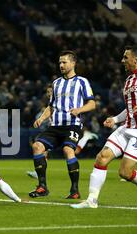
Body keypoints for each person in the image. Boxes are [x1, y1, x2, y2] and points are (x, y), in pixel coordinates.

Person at [71, 45, 137, 209]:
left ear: (136, 59)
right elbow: (130, 108)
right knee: (102, 157)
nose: (122, 60)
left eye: (125, 57)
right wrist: (115, 119)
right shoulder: (128, 80)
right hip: (126, 127)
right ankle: (91, 200)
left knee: (125, 172)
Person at [29, 50, 96, 199]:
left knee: (68, 150)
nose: (61, 65)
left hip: (72, 125)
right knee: (37, 147)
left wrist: (79, 109)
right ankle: (42, 187)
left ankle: (75, 190)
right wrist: (42, 118)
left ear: (73, 63)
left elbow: (92, 104)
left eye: (64, 62)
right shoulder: (56, 83)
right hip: (55, 126)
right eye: (60, 62)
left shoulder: (82, 82)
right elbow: (51, 106)